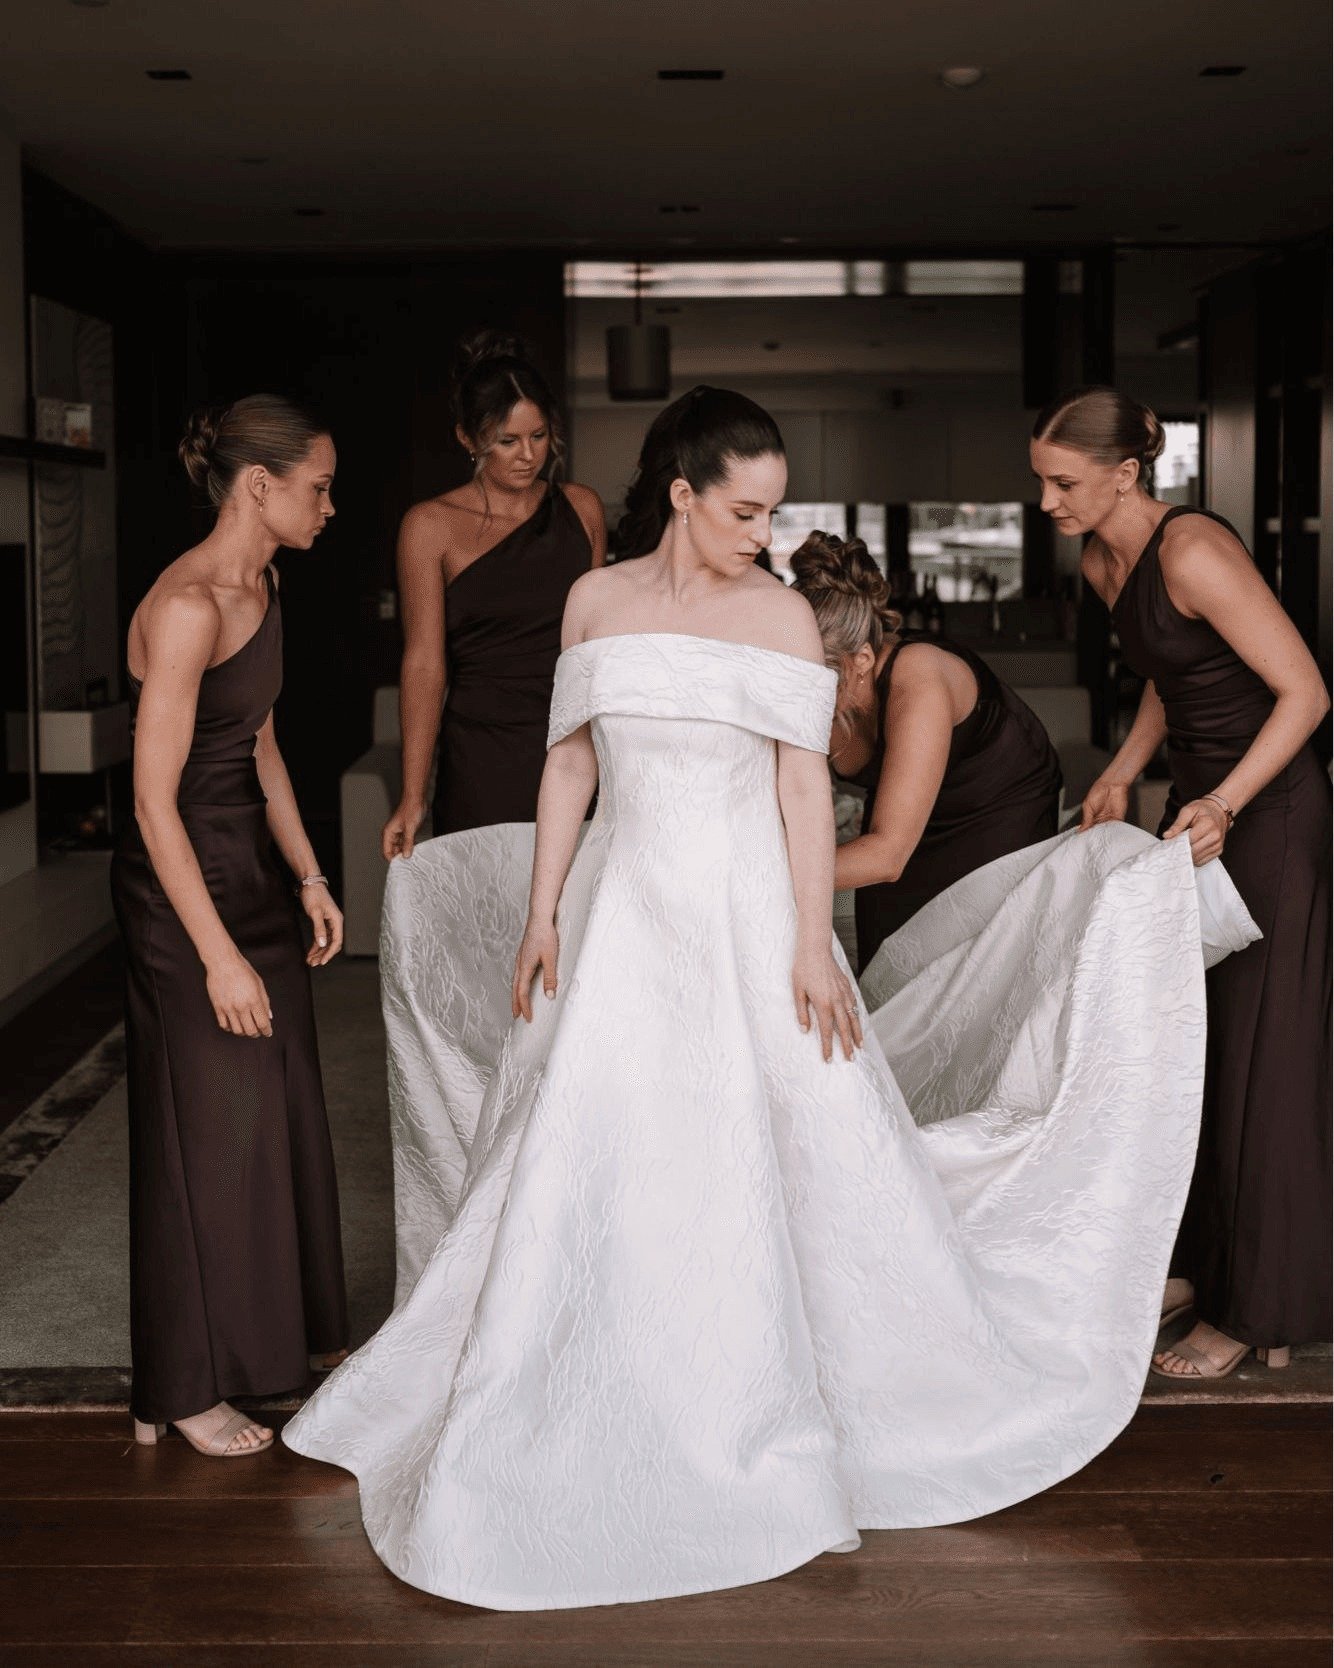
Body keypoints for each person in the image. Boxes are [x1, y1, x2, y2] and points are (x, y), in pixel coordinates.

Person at [285, 386, 1256, 1608]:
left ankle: (759, 1396)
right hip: (623, 907)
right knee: (592, 1140)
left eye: (773, 507)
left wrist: (810, 939)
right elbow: (570, 760)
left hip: (748, 919)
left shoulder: (780, 621)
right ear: (682, 496)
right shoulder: (595, 598)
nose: (765, 530)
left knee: (784, 1148)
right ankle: (574, 1378)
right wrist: (538, 913)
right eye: (744, 508)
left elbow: (806, 789)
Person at [1031, 384, 1332, 1380]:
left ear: (1124, 474)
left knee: (1260, 1057)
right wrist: (1122, 768)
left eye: (1061, 483)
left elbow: (1304, 693)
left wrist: (1227, 804)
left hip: (1267, 813)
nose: (1045, 502)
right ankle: (1201, 1263)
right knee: (1188, 1045)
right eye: (1038, 481)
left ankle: (1259, 1305)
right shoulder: (1097, 558)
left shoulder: (1193, 550)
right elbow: (1171, 674)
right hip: (1202, 810)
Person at [112, 395, 348, 1457]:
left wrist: (306, 874)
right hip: (181, 893)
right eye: (317, 487)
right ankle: (178, 1386)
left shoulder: (265, 581)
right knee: (200, 1132)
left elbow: (256, 742)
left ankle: (268, 1354)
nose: (330, 506)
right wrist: (214, 958)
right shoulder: (188, 607)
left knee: (271, 1118)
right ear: (258, 485)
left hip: (250, 874)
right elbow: (154, 800)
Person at [791, 530, 1061, 968]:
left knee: (971, 971)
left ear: (860, 662)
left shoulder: (919, 680)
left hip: (995, 809)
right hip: (908, 818)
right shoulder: (825, 684)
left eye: (813, 680)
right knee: (884, 952)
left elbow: (886, 856)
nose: (798, 695)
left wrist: (760, 874)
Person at [381, 332, 605, 853]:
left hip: (572, 746)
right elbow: (423, 665)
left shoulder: (582, 509)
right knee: (487, 918)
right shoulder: (430, 526)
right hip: (480, 753)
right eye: (507, 441)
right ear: (467, 439)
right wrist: (414, 795)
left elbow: (596, 647)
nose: (528, 456)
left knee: (575, 918)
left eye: (540, 436)